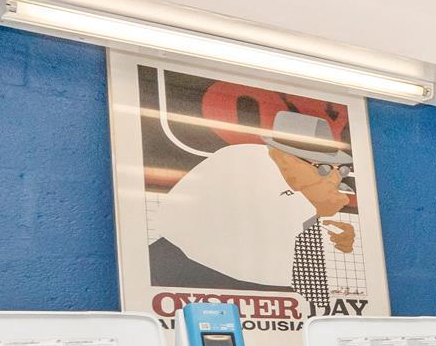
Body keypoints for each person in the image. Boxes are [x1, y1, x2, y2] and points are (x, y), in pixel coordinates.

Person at [150, 112, 356, 301]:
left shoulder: (288, 176)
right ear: (285, 157)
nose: (334, 178)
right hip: (187, 268)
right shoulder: (240, 163)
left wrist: (333, 238)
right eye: (323, 168)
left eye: (341, 170)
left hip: (243, 276)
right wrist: (321, 206)